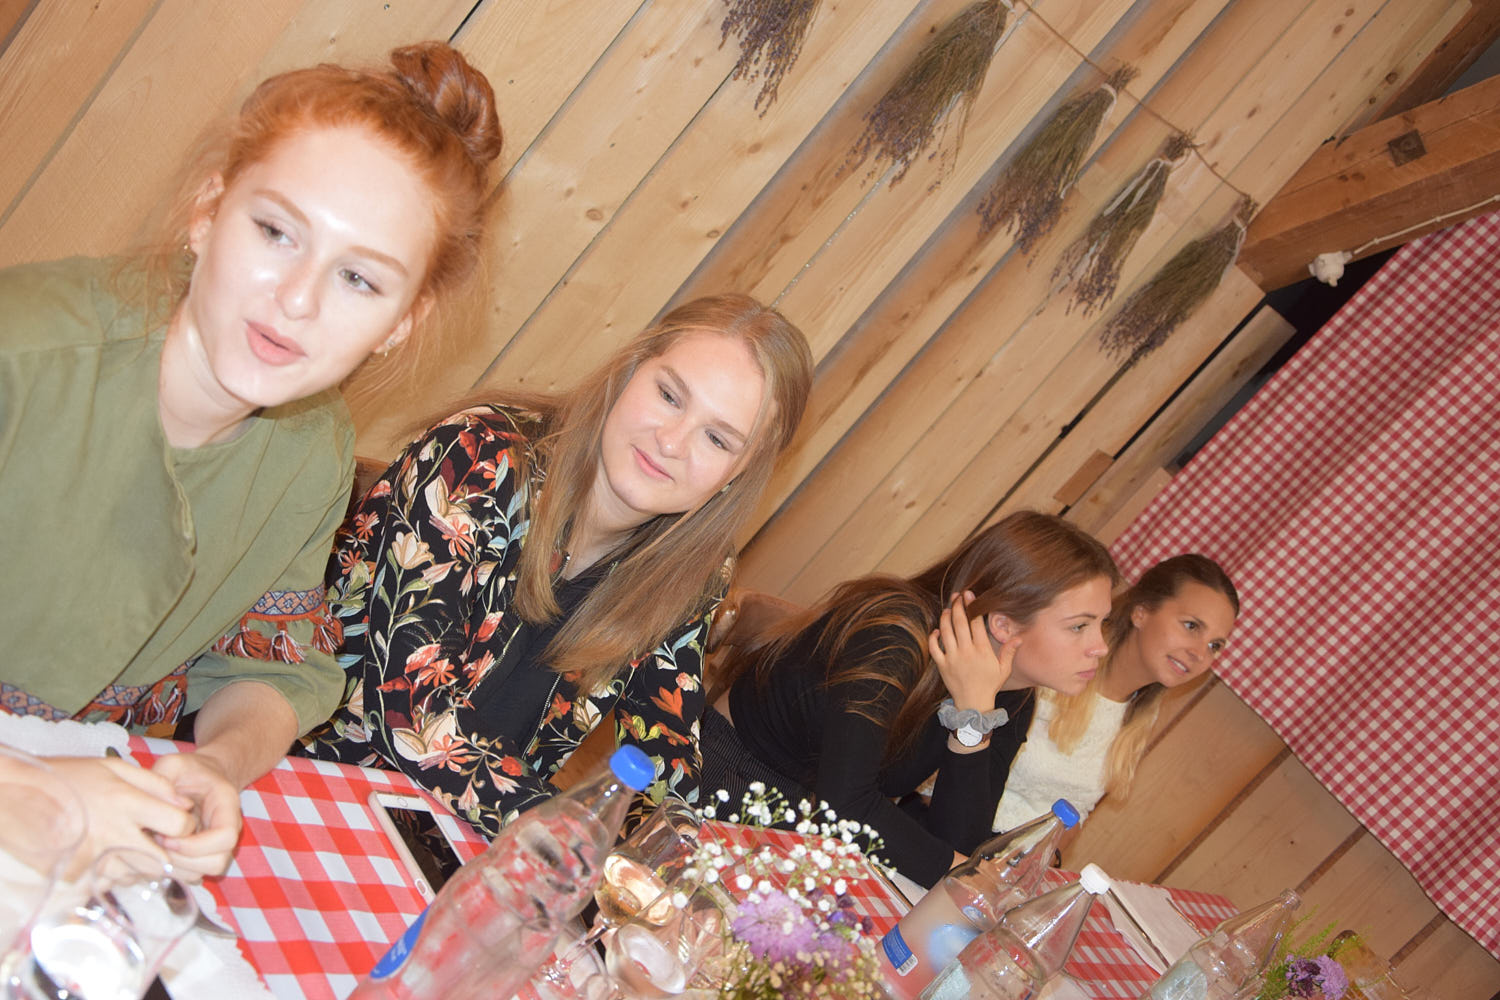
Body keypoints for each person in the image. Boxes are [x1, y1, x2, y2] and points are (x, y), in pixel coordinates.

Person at [0, 41, 503, 877]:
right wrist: (32, 792)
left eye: (359, 280)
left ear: (401, 323)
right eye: (276, 232)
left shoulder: (311, 448)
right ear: (208, 211)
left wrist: (217, 765)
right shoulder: (23, 358)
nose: (296, 300)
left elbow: (271, 661)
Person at [299, 295, 814, 838]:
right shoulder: (478, 456)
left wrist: (674, 854)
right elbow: (408, 706)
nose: (671, 442)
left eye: (716, 438)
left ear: (739, 473)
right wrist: (567, 832)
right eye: (669, 395)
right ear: (630, 371)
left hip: (460, 838)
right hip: (309, 783)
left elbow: (666, 751)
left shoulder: (695, 569)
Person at [703, 511, 1119, 888]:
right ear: (1004, 625)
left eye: (1102, 623)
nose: (1100, 647)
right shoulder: (894, 634)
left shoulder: (1010, 694)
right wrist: (963, 876)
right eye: (1079, 626)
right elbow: (845, 803)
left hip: (810, 825)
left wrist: (973, 715)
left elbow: (959, 840)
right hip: (721, 779)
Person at [992, 554, 1239, 832]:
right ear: (1141, 612)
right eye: (1191, 626)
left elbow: (1076, 814)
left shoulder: (1138, 716)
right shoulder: (1054, 665)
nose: (1200, 654)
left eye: (1215, 646)